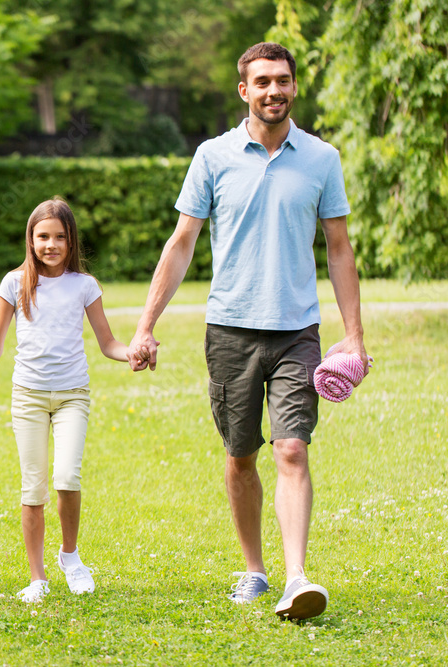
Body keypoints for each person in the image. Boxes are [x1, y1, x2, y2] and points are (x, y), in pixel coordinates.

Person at [128, 42, 370, 621]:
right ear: (244, 90)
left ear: (293, 86)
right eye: (262, 81)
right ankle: (255, 570)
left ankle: (296, 578)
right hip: (230, 331)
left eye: (282, 80)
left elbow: (339, 248)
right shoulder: (212, 156)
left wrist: (354, 335)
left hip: (296, 331)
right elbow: (182, 243)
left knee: (291, 447)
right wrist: (145, 325)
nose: (273, 90)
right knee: (241, 455)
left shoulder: (321, 159)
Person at [0, 197, 134, 603]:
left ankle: (70, 556)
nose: (50, 244)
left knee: (67, 477)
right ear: (30, 240)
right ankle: (38, 578)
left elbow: (108, 343)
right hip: (28, 397)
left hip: (72, 396)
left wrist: (132, 353)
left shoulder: (84, 286)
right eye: (42, 236)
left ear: (72, 242)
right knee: (32, 490)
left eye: (59, 237)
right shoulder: (14, 283)